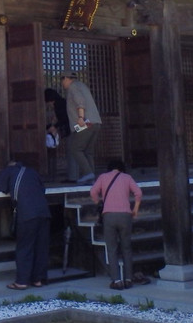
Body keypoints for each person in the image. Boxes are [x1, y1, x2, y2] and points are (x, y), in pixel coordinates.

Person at [0, 160, 51, 289]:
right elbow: (42, 189)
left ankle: (22, 281)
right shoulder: (32, 171)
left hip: (27, 213)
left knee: (25, 247)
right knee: (41, 247)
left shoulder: (9, 171)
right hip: (43, 212)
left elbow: (0, 187)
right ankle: (38, 279)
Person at [90, 158, 142, 290]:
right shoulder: (127, 177)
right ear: (122, 168)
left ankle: (117, 280)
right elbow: (138, 193)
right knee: (126, 248)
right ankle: (129, 279)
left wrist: (98, 203)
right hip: (125, 215)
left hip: (109, 215)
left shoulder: (103, 177)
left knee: (112, 249)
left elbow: (93, 192)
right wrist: (135, 210)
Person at [61, 73, 102, 184]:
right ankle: (91, 178)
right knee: (88, 151)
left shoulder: (73, 87)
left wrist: (80, 117)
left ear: (66, 78)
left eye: (62, 80)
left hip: (85, 122)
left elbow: (80, 101)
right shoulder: (83, 86)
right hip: (95, 122)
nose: (62, 84)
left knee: (75, 148)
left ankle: (88, 173)